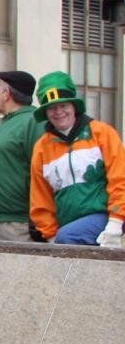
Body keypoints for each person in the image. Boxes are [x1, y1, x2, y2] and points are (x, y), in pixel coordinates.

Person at [29, 71, 125, 246]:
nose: (58, 112)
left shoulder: (102, 133)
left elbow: (120, 178)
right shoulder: (42, 148)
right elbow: (40, 199)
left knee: (68, 237)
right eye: (51, 108)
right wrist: (51, 237)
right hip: (67, 227)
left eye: (63, 105)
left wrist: (116, 221)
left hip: (107, 218)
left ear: (74, 106)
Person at [0, 71, 45, 242]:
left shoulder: (33, 122)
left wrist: (38, 216)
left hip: (16, 224)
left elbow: (41, 171)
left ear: (7, 94)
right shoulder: (0, 127)